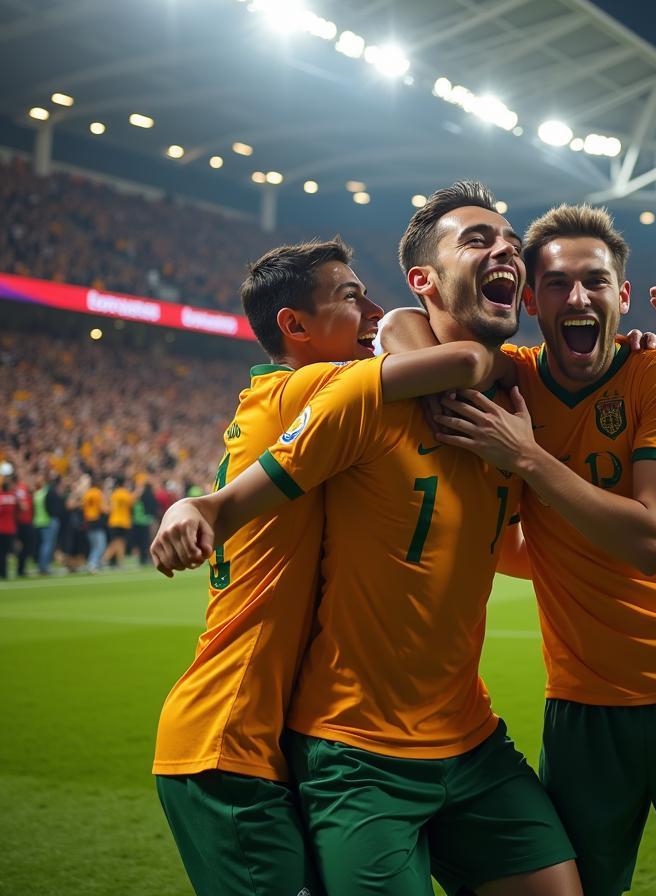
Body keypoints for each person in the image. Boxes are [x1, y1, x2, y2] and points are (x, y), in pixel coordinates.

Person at [383, 203, 656, 895]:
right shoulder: (511, 378)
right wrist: (534, 547)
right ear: (531, 299)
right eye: (556, 284)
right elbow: (403, 323)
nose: (577, 297)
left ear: (622, 296)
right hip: (583, 707)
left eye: (595, 281)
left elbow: (649, 541)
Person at [152, 219, 581, 896]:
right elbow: (447, 356)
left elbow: (500, 546)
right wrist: (196, 508)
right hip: (237, 733)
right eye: (353, 298)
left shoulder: (401, 399)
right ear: (295, 326)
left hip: (383, 733)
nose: (373, 314)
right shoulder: (322, 390)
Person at [102, 476, 135, 567]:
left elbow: (109, 507)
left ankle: (120, 561)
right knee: (118, 542)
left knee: (119, 542)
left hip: (114, 521)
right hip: (124, 521)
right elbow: (132, 503)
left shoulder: (114, 494)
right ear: (124, 483)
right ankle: (105, 559)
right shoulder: (126, 493)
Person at [81, 475, 107, 574]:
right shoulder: (98, 493)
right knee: (100, 545)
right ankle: (92, 563)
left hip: (88, 520)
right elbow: (103, 508)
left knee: (93, 545)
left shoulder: (87, 493)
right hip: (96, 520)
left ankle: (94, 563)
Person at [13, 474, 36, 577]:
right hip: (23, 522)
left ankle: (21, 568)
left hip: (25, 521)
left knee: (26, 546)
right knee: (26, 546)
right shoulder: (21, 489)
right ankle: (20, 569)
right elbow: (24, 506)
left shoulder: (25, 490)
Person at [0, 475, 17, 579]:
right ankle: (4, 572)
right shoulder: (12, 497)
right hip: (9, 528)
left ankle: (2, 571)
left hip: (1, 528)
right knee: (6, 553)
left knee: (1, 552)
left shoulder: (1, 497)